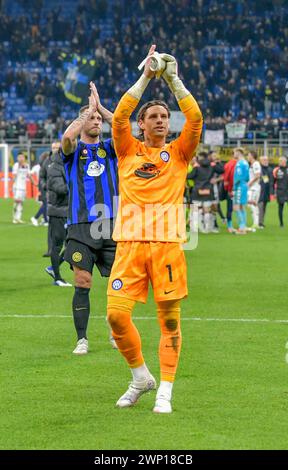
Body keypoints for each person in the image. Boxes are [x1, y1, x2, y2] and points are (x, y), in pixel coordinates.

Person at [107, 45, 203, 413]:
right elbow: (118, 117)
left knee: (168, 320)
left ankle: (165, 388)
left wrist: (174, 78)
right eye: (155, 116)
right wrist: (147, 76)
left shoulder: (179, 153)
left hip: (167, 246)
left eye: (165, 116)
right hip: (129, 245)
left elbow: (195, 120)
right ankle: (140, 377)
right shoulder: (127, 150)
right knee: (116, 315)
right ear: (142, 124)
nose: (162, 120)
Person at [61, 82, 118, 355]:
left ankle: (115, 332)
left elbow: (122, 127)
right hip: (81, 226)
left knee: (119, 283)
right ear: (82, 121)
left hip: (111, 225)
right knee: (83, 280)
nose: (96, 121)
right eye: (91, 118)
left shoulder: (111, 147)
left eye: (98, 119)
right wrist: (86, 113)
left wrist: (100, 106)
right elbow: (67, 138)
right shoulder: (73, 153)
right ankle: (82, 339)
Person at [45, 146, 71, 287]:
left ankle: (53, 268)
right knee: (57, 245)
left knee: (73, 243)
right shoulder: (54, 167)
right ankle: (57, 278)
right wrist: (77, 183)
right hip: (58, 211)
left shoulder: (65, 165)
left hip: (67, 210)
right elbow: (60, 189)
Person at [188, 151, 222, 233]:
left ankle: (195, 228)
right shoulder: (212, 165)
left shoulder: (197, 166)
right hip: (208, 190)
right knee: (207, 210)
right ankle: (207, 228)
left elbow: (190, 176)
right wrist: (217, 163)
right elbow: (222, 170)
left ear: (200, 157)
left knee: (196, 209)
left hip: (197, 190)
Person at [12, 153, 34, 224]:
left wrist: (34, 183)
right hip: (17, 187)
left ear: (24, 158)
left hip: (23, 187)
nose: (21, 158)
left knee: (21, 203)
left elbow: (29, 175)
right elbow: (14, 176)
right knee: (16, 201)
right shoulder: (16, 165)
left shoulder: (27, 165)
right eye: (19, 157)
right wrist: (19, 166)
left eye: (22, 157)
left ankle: (19, 218)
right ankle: (14, 218)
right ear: (17, 158)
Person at [233, 147, 249, 234]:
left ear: (238, 153)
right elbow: (247, 177)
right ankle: (244, 226)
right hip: (244, 186)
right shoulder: (246, 163)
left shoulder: (239, 164)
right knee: (242, 206)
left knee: (236, 207)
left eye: (234, 152)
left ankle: (242, 228)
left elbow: (238, 177)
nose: (234, 154)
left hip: (239, 186)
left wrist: (234, 187)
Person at [31, 151, 49, 226]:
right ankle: (35, 217)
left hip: (44, 184)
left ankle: (44, 219)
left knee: (46, 203)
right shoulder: (41, 166)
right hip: (43, 185)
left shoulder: (44, 166)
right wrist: (35, 183)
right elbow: (31, 174)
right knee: (45, 203)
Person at [247, 150, 261, 231]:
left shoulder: (256, 164)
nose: (247, 157)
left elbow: (257, 176)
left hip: (254, 188)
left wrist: (249, 183)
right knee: (253, 204)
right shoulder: (252, 164)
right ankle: (256, 223)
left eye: (248, 155)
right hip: (253, 188)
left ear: (252, 156)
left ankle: (256, 223)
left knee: (251, 203)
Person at [223, 152, 237, 233]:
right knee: (232, 207)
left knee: (231, 207)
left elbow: (225, 178)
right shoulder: (233, 164)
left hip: (231, 189)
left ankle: (230, 225)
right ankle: (230, 225)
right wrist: (229, 189)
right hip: (233, 189)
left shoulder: (228, 164)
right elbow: (227, 177)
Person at [258, 156, 274, 228]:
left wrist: (271, 192)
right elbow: (265, 180)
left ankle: (261, 221)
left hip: (266, 191)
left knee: (264, 207)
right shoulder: (259, 169)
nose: (266, 161)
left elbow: (271, 182)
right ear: (260, 161)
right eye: (264, 160)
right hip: (259, 191)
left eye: (267, 160)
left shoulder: (270, 169)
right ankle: (259, 222)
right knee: (260, 207)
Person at [273, 156, 288, 227]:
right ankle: (281, 223)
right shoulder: (276, 170)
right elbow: (273, 181)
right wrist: (273, 191)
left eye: (282, 161)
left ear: (285, 161)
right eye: (280, 161)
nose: (280, 162)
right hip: (280, 191)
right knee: (280, 207)